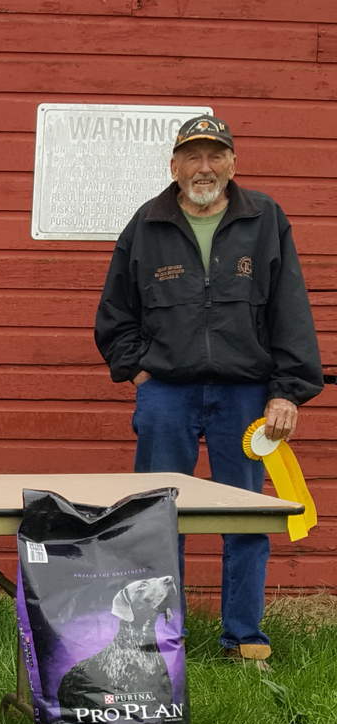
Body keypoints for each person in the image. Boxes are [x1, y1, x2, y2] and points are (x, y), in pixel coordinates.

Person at [94, 114, 323, 666]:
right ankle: (154, 640)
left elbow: (290, 308)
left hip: (245, 395)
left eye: (215, 155)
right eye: (192, 156)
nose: (204, 167)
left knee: (243, 514)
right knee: (155, 517)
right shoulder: (146, 224)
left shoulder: (265, 218)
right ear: (173, 166)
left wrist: (287, 390)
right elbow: (115, 312)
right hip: (166, 393)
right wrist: (138, 369)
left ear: (232, 163)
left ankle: (242, 636)